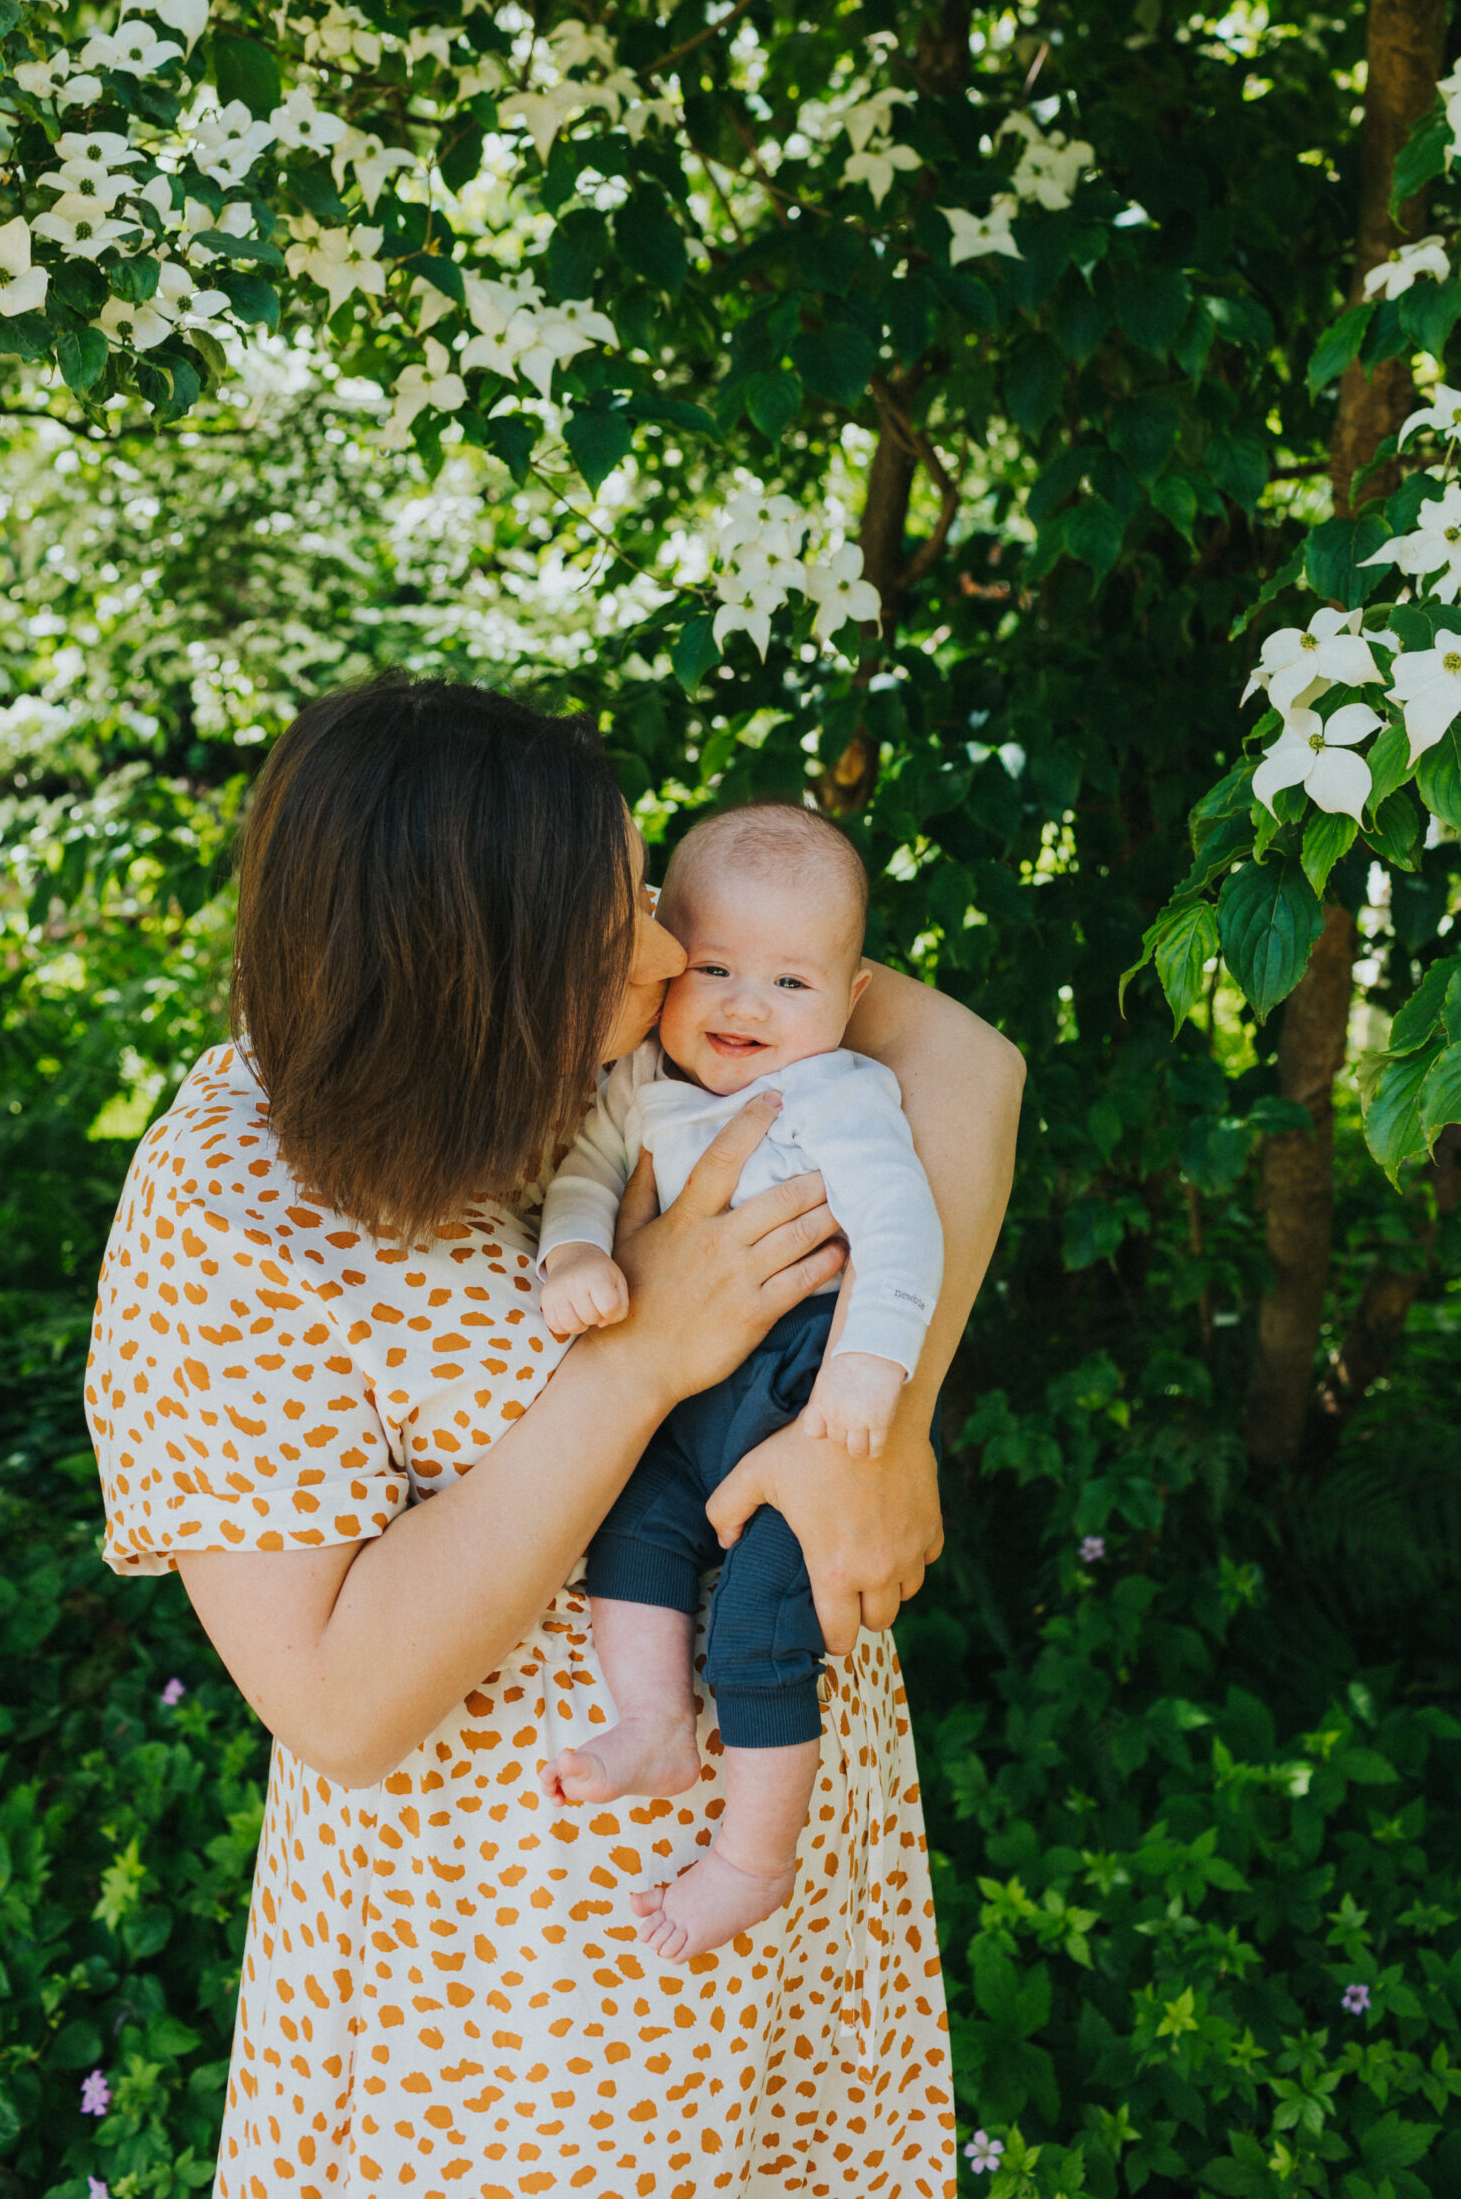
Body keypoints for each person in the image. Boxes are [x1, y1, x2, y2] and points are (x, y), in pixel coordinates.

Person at [84, 673, 1023, 2199]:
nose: (667, 959)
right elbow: (336, 1701)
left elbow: (965, 1062)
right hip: (516, 2008)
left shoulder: (640, 1048)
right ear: (467, 977)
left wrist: (873, 1435)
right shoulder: (230, 1214)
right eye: (613, 944)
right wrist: (639, 1359)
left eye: (647, 897)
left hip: (783, 1916)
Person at [535, 801, 945, 1965]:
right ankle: (655, 1722)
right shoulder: (644, 1082)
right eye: (711, 966)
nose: (744, 1006)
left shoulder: (842, 1094)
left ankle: (755, 1854)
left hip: (807, 1379)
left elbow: (902, 1232)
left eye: (788, 984)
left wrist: (869, 1375)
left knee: (767, 1617)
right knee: (629, 1526)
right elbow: (585, 1170)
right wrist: (576, 1252)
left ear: (852, 994)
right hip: (682, 1405)